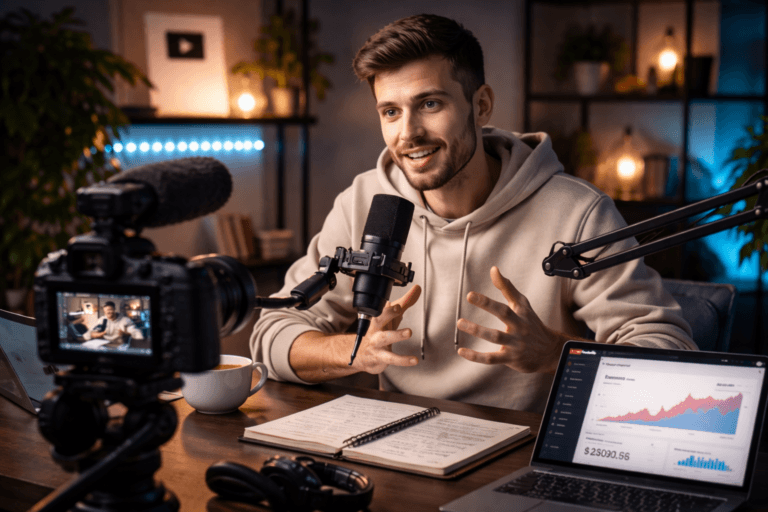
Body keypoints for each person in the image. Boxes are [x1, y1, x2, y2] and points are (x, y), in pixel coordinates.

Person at [250, 14, 695, 413]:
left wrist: (555, 354)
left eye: (430, 104)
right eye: (391, 111)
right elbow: (271, 334)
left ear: (480, 105)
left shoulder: (576, 212)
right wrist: (355, 351)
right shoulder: (366, 200)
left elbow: (668, 353)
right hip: (400, 451)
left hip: (523, 456)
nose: (409, 134)